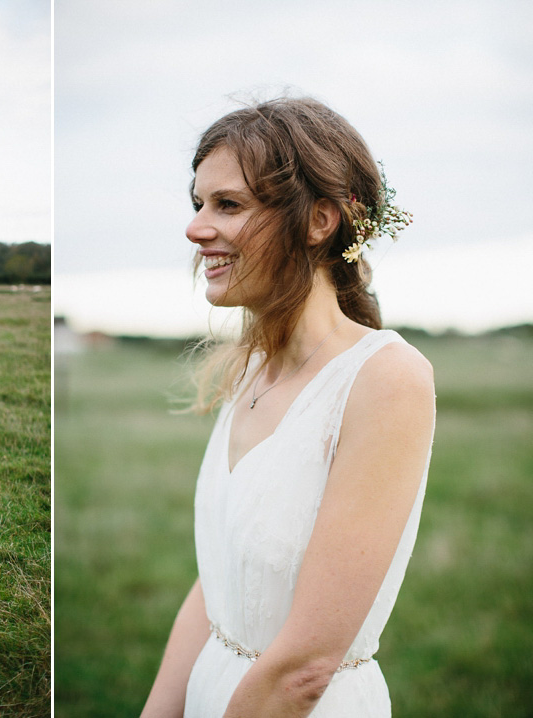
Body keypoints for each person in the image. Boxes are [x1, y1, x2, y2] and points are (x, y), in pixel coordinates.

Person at [140, 98, 435, 717]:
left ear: (319, 220)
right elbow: (219, 581)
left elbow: (305, 668)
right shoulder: (251, 368)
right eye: (198, 203)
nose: (196, 228)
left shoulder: (386, 378)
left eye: (229, 204)